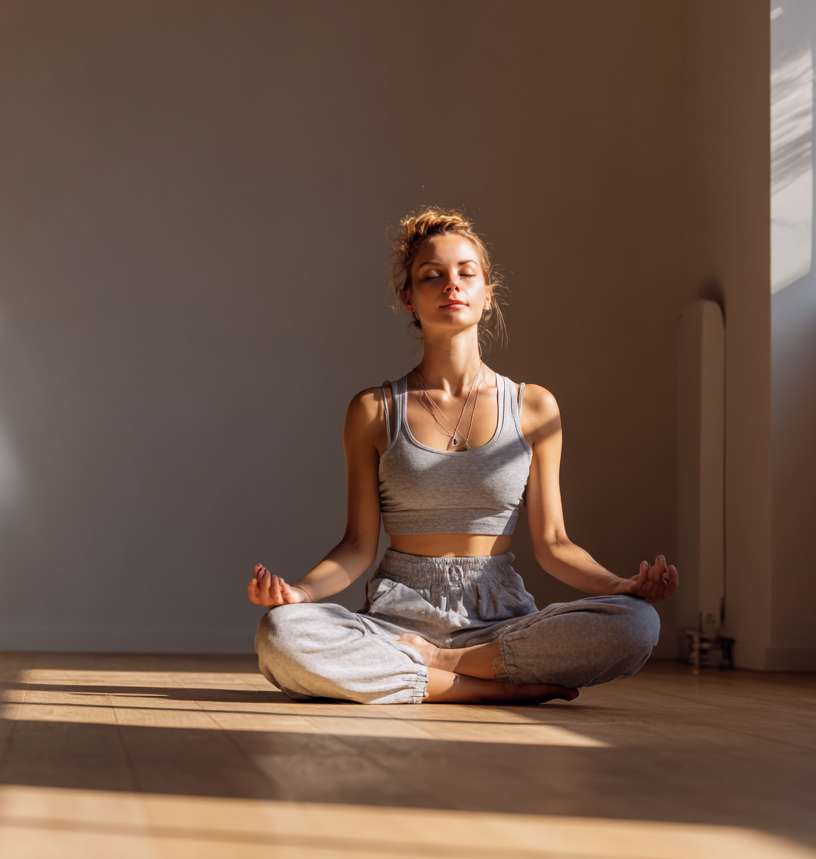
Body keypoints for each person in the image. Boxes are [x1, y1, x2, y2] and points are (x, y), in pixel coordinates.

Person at [249, 208, 676, 705]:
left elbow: (555, 543)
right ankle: (492, 688)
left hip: (500, 624)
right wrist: (300, 594)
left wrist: (621, 585)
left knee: (637, 623)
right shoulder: (373, 410)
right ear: (409, 299)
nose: (452, 283)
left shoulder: (534, 407)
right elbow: (357, 546)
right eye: (432, 275)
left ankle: (443, 667)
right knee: (280, 633)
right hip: (396, 622)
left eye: (466, 273)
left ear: (487, 294)